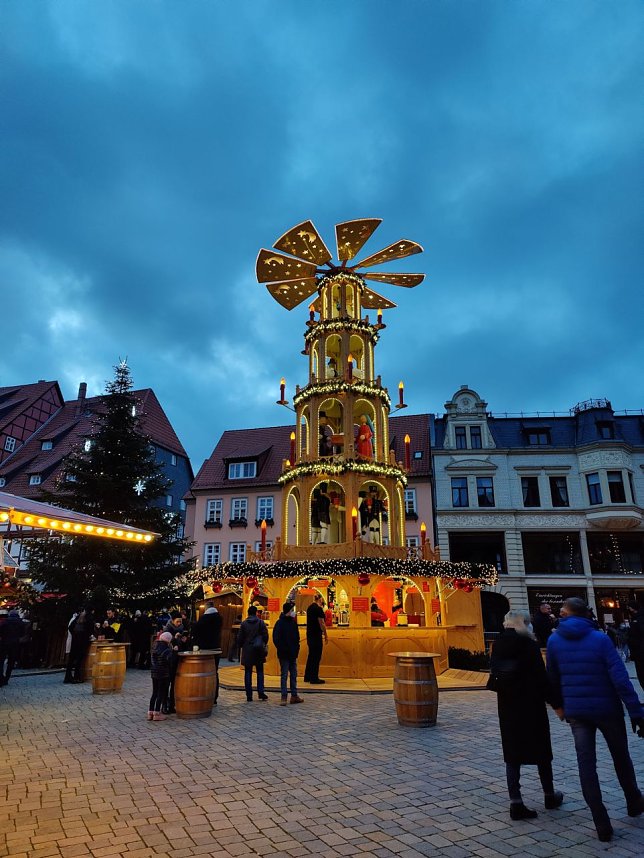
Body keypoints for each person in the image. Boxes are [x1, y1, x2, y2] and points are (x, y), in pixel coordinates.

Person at [547, 597, 644, 842]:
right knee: (621, 756)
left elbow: (552, 680)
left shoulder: (554, 640)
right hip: (607, 709)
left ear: (566, 614)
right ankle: (634, 801)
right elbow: (621, 679)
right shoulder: (600, 639)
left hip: (577, 711)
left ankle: (601, 822)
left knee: (586, 765)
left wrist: (559, 707)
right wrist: (636, 711)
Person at [487, 611, 563, 821]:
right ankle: (549, 794)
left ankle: (516, 801)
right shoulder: (528, 645)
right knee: (542, 751)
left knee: (512, 754)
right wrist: (556, 704)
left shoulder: (497, 644)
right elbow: (541, 678)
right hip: (531, 704)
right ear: (525, 625)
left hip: (508, 704)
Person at [272, 602, 303, 706]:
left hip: (292, 653)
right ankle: (284, 696)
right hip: (285, 653)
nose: (293, 612)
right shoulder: (280, 623)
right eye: (292, 610)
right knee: (285, 674)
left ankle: (294, 695)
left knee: (293, 674)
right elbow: (276, 639)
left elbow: (297, 637)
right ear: (288, 611)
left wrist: (296, 648)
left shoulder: (292, 623)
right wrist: (283, 649)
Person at [237, 605, 269, 702]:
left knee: (248, 672)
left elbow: (240, 638)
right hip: (258, 650)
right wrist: (262, 643)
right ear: (256, 613)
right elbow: (265, 636)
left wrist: (242, 645)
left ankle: (249, 695)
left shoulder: (244, 624)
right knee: (260, 671)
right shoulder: (260, 622)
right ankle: (261, 692)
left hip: (247, 650)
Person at [193, 602, 223, 704]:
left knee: (204, 672)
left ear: (206, 608)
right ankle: (214, 696)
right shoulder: (219, 618)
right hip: (216, 647)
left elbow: (196, 631)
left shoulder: (203, 619)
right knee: (214, 672)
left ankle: (204, 694)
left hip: (205, 648)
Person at [63, 609, 94, 684]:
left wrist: (74, 635)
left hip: (75, 640)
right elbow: (90, 630)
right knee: (79, 660)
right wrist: (87, 636)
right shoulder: (89, 618)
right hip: (82, 641)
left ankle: (68, 677)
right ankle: (77, 677)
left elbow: (70, 627)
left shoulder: (78, 617)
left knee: (71, 659)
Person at [149, 631, 173, 721]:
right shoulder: (167, 649)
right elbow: (169, 662)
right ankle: (157, 713)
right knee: (161, 693)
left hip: (154, 673)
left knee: (154, 692)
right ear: (168, 640)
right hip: (163, 673)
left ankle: (150, 712)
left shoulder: (154, 646)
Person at [304, 594, 327, 684]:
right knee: (316, 656)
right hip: (316, 635)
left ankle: (307, 676)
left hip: (309, 634)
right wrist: (325, 634)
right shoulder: (318, 609)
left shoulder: (310, 608)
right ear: (320, 599)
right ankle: (314, 678)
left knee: (311, 655)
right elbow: (321, 623)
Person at [0, 610, 27, 686]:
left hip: (4, 643)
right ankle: (6, 679)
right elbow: (22, 633)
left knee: (1, 661)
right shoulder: (21, 623)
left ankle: (1, 677)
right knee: (11, 662)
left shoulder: (5, 622)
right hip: (15, 644)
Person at [626, 601, 644, 691]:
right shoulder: (635, 618)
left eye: (629, 607)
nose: (628, 609)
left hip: (640, 652)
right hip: (637, 652)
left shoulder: (639, 619)